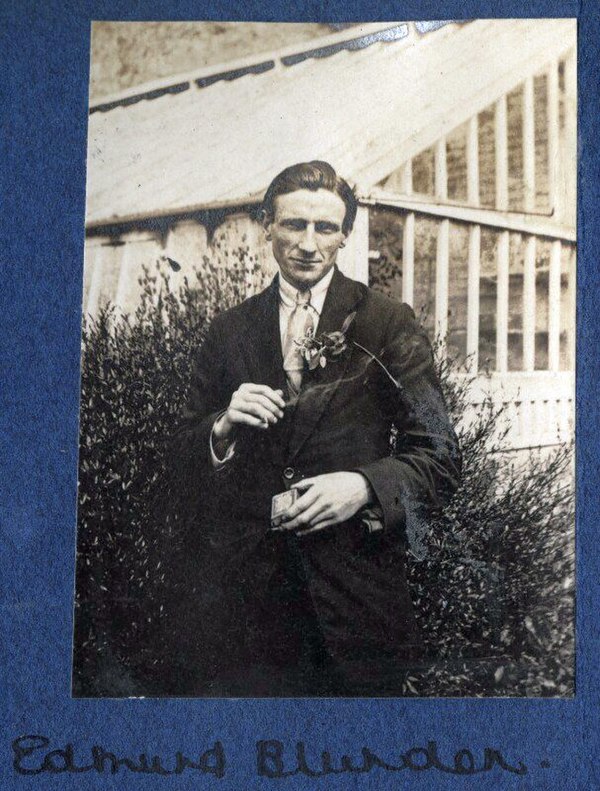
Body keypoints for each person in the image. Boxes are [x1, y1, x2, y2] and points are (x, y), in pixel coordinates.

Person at [170, 161, 461, 696]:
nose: (308, 243)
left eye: (325, 228)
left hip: (356, 609)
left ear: (345, 235)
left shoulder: (387, 323)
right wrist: (222, 429)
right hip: (246, 614)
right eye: (293, 225)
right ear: (267, 226)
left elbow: (440, 456)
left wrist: (363, 486)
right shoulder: (228, 330)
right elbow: (179, 460)